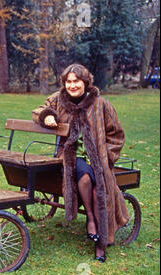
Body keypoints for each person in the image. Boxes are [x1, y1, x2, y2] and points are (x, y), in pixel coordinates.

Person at [31, 64, 128, 262]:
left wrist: (106, 157)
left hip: (99, 158)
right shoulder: (59, 100)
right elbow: (39, 110)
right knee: (84, 176)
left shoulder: (101, 104)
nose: (72, 86)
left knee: (97, 190)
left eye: (76, 81)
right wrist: (47, 115)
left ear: (85, 82)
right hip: (71, 156)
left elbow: (116, 135)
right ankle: (91, 221)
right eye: (69, 82)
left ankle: (100, 244)